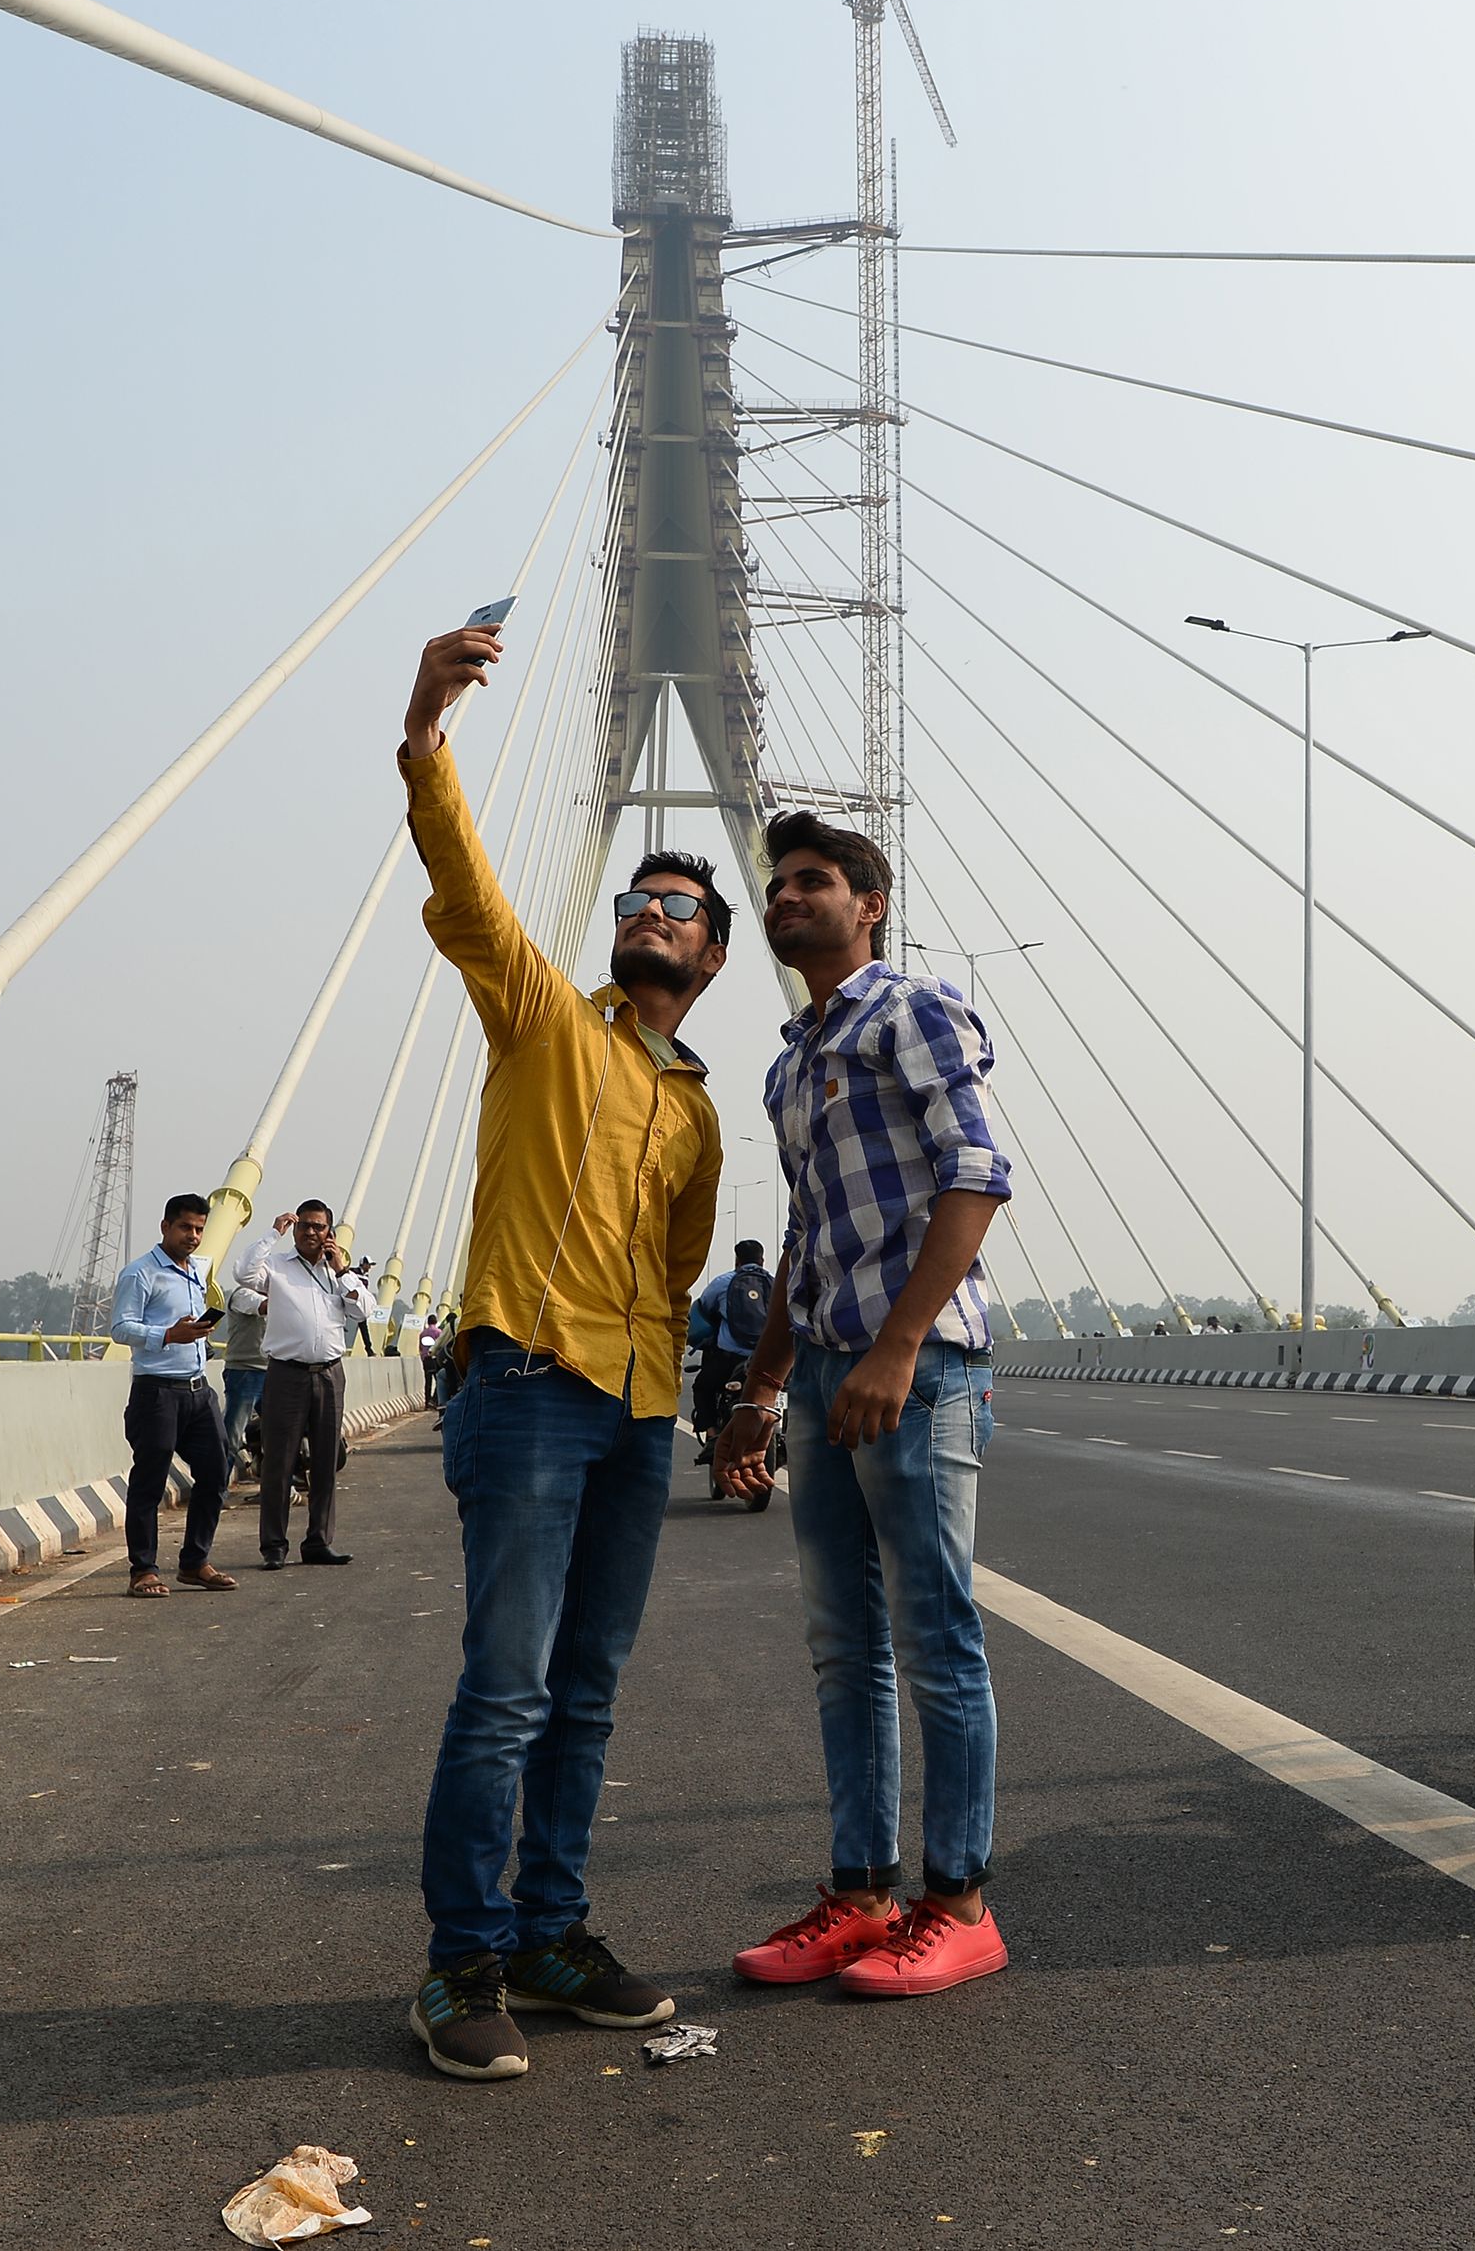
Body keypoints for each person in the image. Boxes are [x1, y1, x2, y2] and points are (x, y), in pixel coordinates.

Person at [397, 623, 731, 2082]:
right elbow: (467, 890)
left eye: (680, 906)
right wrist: (426, 733)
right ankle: (461, 1962)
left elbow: (677, 1265)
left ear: (712, 956)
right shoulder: (544, 1020)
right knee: (508, 1688)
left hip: (638, 1413)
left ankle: (553, 1932)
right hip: (528, 1386)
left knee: (586, 1691)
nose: (654, 911)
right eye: (640, 897)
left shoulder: (698, 1114)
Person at [718, 811, 1014, 2000]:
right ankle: (859, 1893)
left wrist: (897, 1344)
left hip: (917, 1364)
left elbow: (976, 1171)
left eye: (813, 881)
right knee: (844, 1647)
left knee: (934, 1640)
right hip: (826, 1369)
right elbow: (805, 1241)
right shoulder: (791, 1062)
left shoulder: (912, 1011)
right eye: (779, 884)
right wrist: (760, 1386)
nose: (787, 897)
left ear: (867, 903)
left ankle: (960, 1903)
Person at [107, 1194, 238, 1599]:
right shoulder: (140, 1274)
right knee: (149, 1481)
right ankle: (143, 1570)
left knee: (217, 1472)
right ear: (165, 1226)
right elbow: (121, 1328)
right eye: (185, 1228)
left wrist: (196, 1332)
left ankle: (195, 1562)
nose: (194, 1236)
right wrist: (167, 1335)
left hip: (199, 1391)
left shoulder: (197, 1270)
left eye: (200, 1229)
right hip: (157, 1393)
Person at [229, 1198, 368, 1568]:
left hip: (329, 1373)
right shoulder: (276, 1267)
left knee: (326, 1461)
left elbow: (364, 1308)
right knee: (279, 1461)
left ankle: (319, 1542)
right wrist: (271, 1233)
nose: (310, 1232)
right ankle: (273, 1546)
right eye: (304, 1225)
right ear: (295, 1229)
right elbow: (243, 1274)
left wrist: (342, 1270)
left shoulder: (337, 1275)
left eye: (318, 1227)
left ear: (330, 1234)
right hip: (286, 1374)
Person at [686, 1240, 773, 1467]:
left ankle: (713, 1435)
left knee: (703, 1387)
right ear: (762, 1260)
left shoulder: (724, 1282)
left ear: (737, 1260)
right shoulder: (773, 1283)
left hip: (729, 1358)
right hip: (764, 1359)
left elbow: (703, 1310)